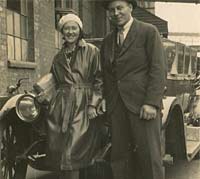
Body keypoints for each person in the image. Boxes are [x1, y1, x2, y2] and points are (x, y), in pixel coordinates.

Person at [101, 1, 166, 179]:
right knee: (120, 158)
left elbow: (158, 69)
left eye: (120, 8)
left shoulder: (148, 31)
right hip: (117, 107)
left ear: (130, 7)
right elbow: (107, 75)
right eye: (111, 10)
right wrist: (107, 101)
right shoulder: (107, 40)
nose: (116, 13)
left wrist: (151, 102)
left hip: (143, 106)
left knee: (150, 158)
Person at [46, 13, 103, 179]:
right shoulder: (58, 57)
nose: (70, 32)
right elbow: (53, 80)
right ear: (62, 32)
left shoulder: (92, 51)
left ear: (80, 30)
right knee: (61, 151)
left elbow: (99, 79)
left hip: (83, 104)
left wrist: (93, 104)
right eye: (66, 28)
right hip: (61, 105)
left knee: (74, 149)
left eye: (74, 28)